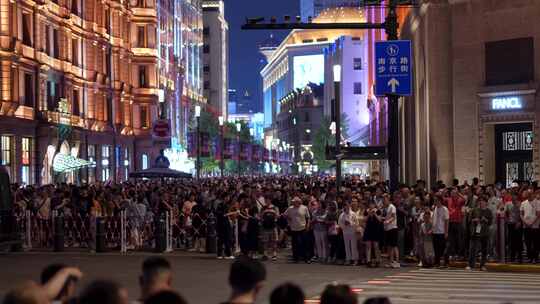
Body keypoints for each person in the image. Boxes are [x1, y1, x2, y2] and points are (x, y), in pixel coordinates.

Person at [467, 196, 493, 271]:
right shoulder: (474, 210)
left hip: (484, 232)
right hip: (475, 231)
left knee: (484, 250)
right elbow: (469, 220)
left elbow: (490, 222)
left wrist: (486, 220)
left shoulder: (488, 211)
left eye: (483, 201)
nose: (481, 202)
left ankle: (482, 265)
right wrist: (474, 220)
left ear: (486, 203)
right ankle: (470, 264)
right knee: (472, 249)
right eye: (480, 201)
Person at [284, 196, 311, 263]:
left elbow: (308, 217)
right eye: (293, 202)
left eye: (295, 202)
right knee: (295, 244)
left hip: (302, 227)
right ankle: (296, 258)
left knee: (304, 243)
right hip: (294, 228)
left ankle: (306, 258)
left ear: (298, 202)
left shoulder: (304, 208)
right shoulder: (290, 208)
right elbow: (284, 215)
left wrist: (307, 225)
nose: (293, 203)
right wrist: (289, 219)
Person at [520, 190, 538, 263]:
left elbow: (538, 214)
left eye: (531, 194)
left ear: (533, 194)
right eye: (528, 194)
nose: (529, 195)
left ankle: (535, 258)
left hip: (535, 226)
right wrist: (525, 222)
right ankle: (529, 257)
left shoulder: (538, 202)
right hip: (526, 226)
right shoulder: (523, 203)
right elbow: (521, 214)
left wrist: (532, 223)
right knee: (527, 243)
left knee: (535, 243)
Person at [363, 201, 382, 268]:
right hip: (368, 230)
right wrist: (368, 214)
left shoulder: (378, 211)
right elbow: (364, 220)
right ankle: (368, 261)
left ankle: (377, 260)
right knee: (368, 246)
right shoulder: (366, 211)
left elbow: (380, 220)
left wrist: (375, 214)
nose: (371, 206)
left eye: (372, 204)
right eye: (370, 205)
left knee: (376, 246)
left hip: (375, 230)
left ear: (374, 205)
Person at [382, 194, 400, 268]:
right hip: (387, 228)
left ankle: (396, 261)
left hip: (393, 228)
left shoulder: (392, 207)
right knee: (389, 246)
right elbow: (386, 217)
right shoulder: (385, 208)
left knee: (394, 245)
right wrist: (383, 219)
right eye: (383, 200)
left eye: (385, 199)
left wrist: (388, 221)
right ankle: (391, 261)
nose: (384, 201)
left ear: (388, 199)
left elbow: (393, 217)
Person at [432, 195, 449, 268]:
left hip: (442, 231)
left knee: (443, 247)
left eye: (436, 200)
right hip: (435, 231)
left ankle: (446, 262)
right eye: (434, 200)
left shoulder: (444, 209)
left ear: (440, 200)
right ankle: (437, 262)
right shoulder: (434, 208)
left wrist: (446, 232)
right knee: (436, 248)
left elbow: (446, 221)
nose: (435, 202)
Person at [260, 196, 280, 261]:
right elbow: (260, 217)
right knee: (265, 241)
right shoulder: (263, 208)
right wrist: (264, 213)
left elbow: (277, 216)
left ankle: (274, 254)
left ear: (270, 200)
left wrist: (273, 212)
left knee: (274, 241)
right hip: (265, 226)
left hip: (273, 226)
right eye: (266, 200)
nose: (267, 201)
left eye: (268, 200)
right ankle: (265, 254)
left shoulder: (275, 207)